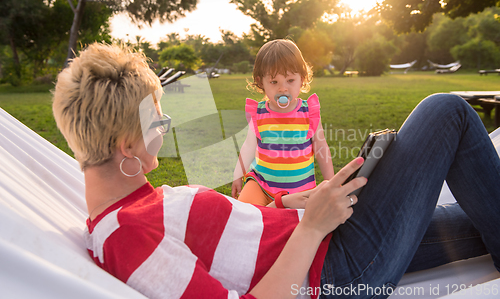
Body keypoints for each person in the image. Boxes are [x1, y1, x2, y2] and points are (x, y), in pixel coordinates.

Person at [52, 43, 500, 299]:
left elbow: (234, 239)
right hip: (334, 272)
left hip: (325, 237)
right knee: (447, 112)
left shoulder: (138, 202)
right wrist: (311, 230)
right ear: (126, 146)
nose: (167, 125)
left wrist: (293, 203)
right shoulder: (125, 236)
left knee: (478, 223)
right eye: (158, 119)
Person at [232, 39, 334, 206]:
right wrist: (238, 173)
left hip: (300, 190)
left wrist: (331, 181)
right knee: (245, 214)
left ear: (302, 79)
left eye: (290, 80)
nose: (282, 88)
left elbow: (321, 147)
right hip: (262, 185)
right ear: (261, 82)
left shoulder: (309, 112)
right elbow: (249, 146)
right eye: (274, 82)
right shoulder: (258, 114)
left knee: (294, 225)